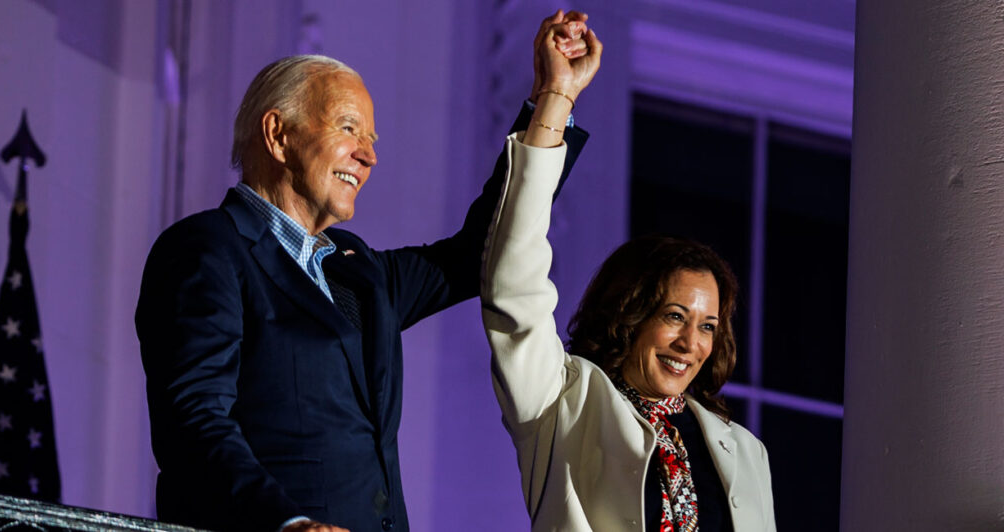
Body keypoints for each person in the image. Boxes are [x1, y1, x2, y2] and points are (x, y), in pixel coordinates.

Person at [135, 11, 591, 532]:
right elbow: (195, 422)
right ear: (278, 134)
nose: (369, 155)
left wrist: (553, 99)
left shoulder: (358, 272)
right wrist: (286, 523)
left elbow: (477, 252)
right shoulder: (207, 251)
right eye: (348, 129)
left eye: (371, 138)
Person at [480, 22, 776, 532]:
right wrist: (556, 98)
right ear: (629, 315)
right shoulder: (562, 402)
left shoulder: (745, 453)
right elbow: (514, 280)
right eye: (675, 316)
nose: (690, 343)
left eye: (708, 326)